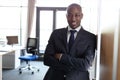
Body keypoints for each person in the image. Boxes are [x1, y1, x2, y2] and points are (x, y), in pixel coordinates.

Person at [43, 3, 96, 80]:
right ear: (66, 16)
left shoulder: (90, 37)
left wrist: (62, 57)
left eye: (77, 15)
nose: (73, 19)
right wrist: (75, 64)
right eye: (70, 15)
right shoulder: (56, 33)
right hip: (54, 77)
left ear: (82, 16)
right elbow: (47, 59)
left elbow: (86, 64)